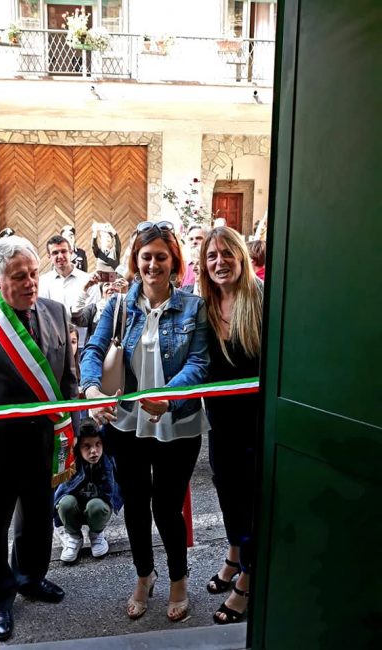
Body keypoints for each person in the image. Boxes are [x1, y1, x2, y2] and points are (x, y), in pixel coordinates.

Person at [80, 220, 210, 622]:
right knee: (135, 505)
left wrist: (169, 396)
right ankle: (143, 575)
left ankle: (178, 579)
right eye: (146, 257)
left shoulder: (194, 307)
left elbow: (199, 362)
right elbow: (93, 349)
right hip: (126, 425)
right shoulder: (119, 306)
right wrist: (91, 391)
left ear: (174, 262)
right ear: (136, 261)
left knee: (167, 508)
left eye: (161, 257)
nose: (153, 264)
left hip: (178, 424)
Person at [0, 235, 79, 642]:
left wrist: (75, 427)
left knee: (38, 516)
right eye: (19, 276)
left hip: (44, 443)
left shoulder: (56, 311)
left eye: (34, 274)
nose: (30, 282)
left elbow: (68, 377)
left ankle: (30, 577)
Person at [199, 226, 263, 625]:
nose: (220, 262)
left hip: (256, 424)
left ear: (241, 256)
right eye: (211, 256)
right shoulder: (202, 306)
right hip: (220, 423)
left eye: (227, 253)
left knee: (250, 502)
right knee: (226, 492)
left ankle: (248, 579)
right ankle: (234, 554)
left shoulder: (262, 299)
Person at [54, 417, 122, 563]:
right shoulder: (71, 463)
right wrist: (59, 522)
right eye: (87, 446)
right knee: (65, 503)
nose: (94, 451)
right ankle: (74, 537)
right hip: (75, 511)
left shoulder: (107, 459)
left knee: (96, 505)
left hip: (95, 510)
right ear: (78, 447)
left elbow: (111, 431)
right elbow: (59, 497)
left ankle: (96, 535)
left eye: (98, 444)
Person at [70, 272, 128, 343]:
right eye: (107, 285)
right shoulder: (94, 309)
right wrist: (85, 288)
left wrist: (125, 297)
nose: (111, 288)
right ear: (102, 292)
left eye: (116, 284)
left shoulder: (130, 307)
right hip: (95, 348)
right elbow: (76, 317)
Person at [181, 224, 208, 288]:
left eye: (199, 238)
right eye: (191, 239)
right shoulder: (183, 267)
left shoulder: (212, 265)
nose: (194, 242)